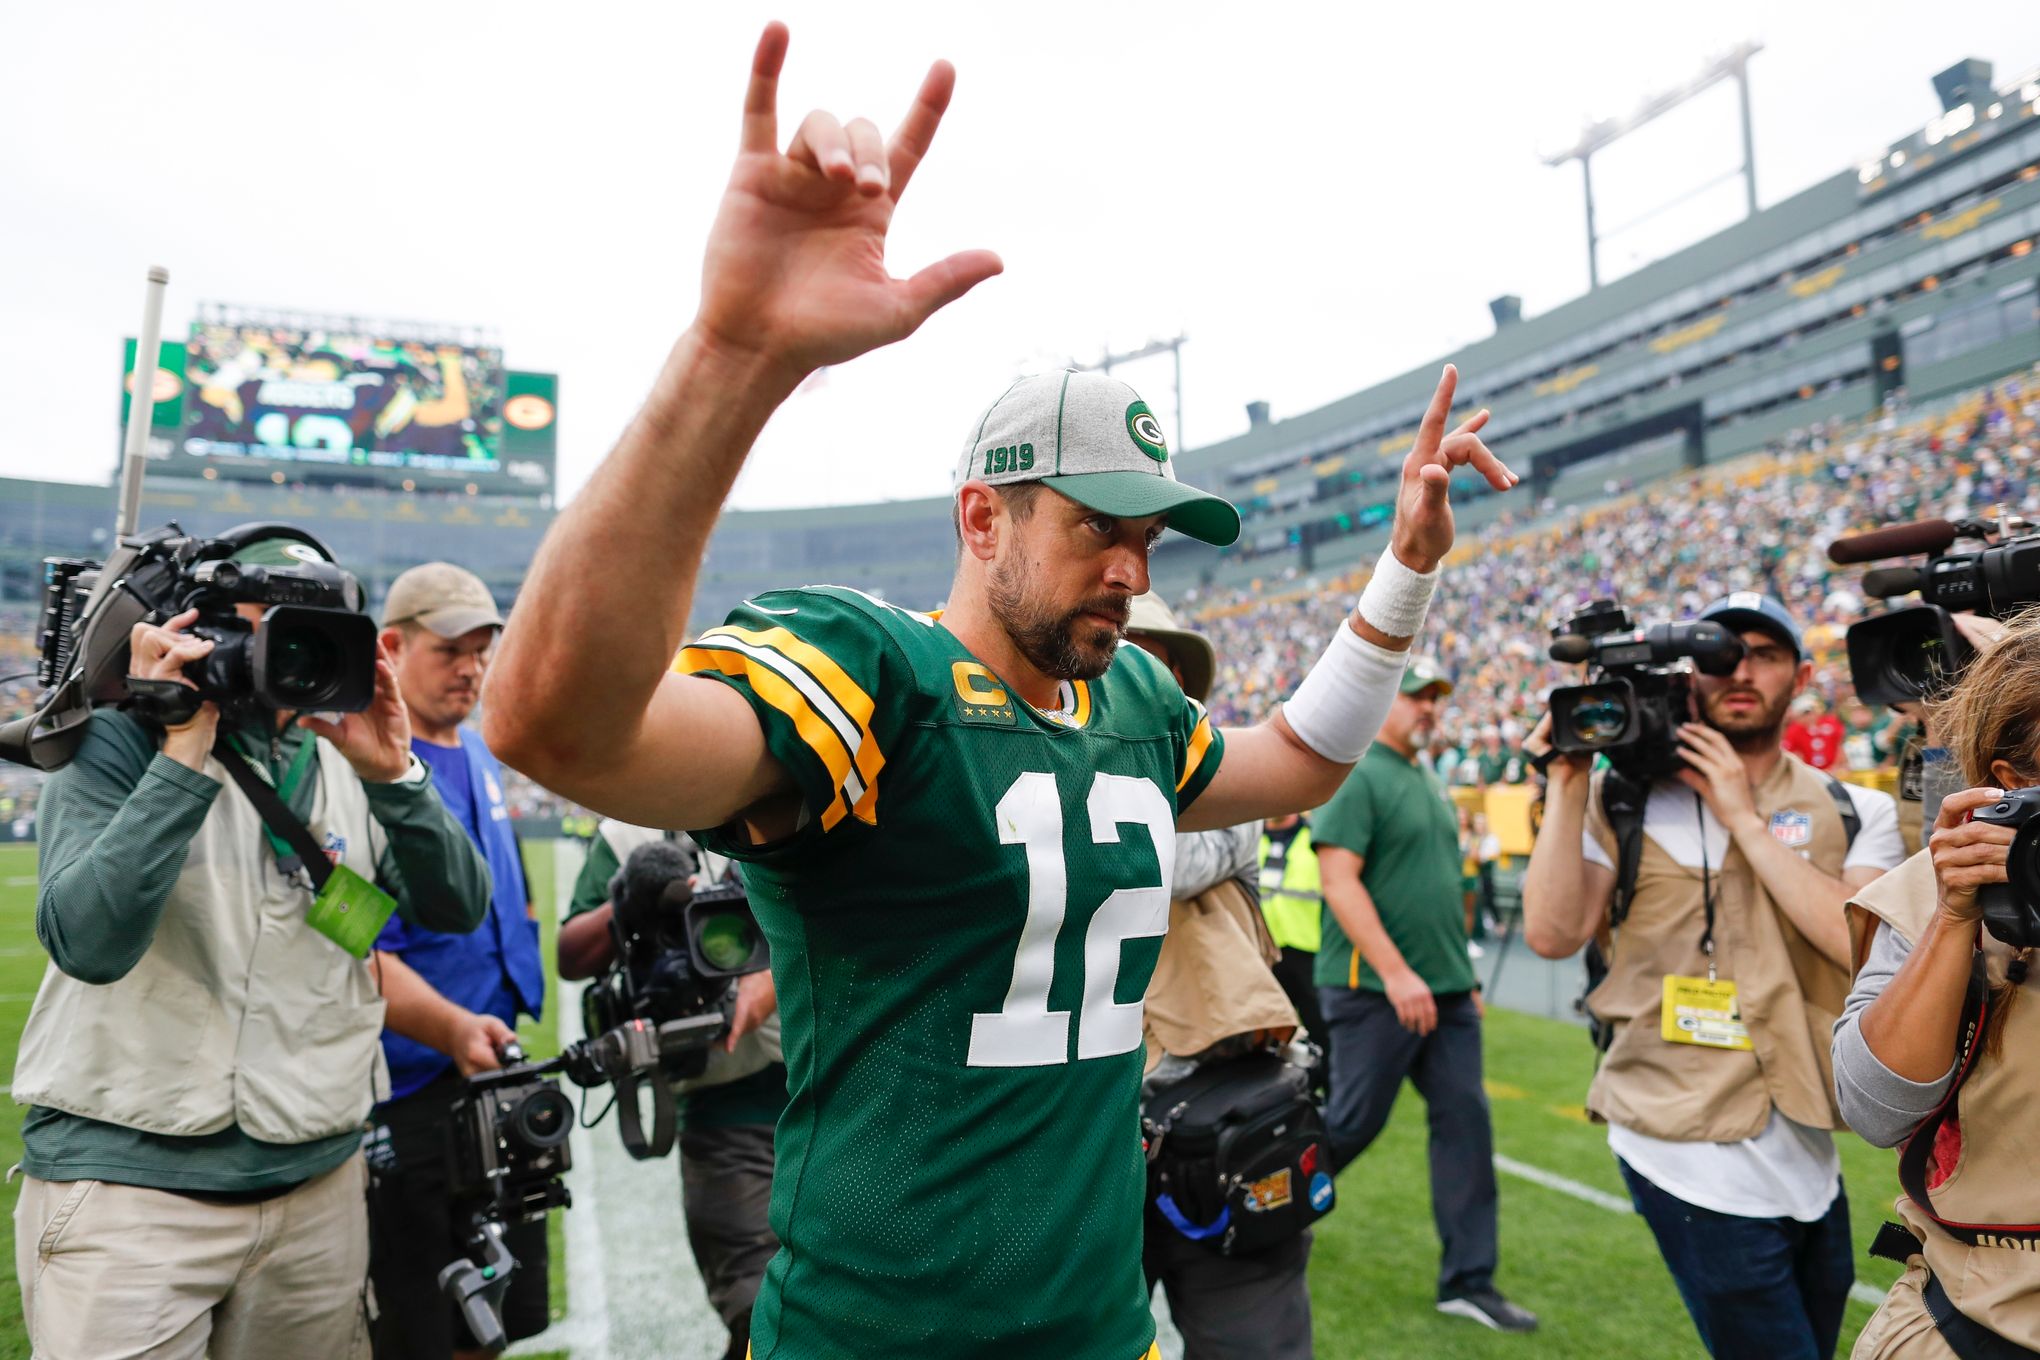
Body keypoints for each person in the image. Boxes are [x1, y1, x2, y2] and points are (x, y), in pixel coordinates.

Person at [482, 23, 1516, 1357]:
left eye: (1149, 540)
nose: (1133, 572)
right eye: (1098, 527)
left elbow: (1303, 761)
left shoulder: (1134, 701)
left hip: (1103, 1327)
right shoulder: (872, 673)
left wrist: (1406, 571)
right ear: (983, 520)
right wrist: (735, 355)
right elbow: (551, 722)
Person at [11, 533, 491, 1360]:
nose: (289, 659)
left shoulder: (342, 747)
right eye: (267, 632)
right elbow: (88, 941)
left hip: (319, 1183)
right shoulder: (117, 737)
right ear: (198, 628)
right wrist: (182, 745)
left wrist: (397, 777)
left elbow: (456, 905)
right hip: (134, 1190)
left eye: (310, 635)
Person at [1521, 592, 1905, 1360]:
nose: (1738, 671)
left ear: (1800, 676)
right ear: (1683, 676)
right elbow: (1552, 933)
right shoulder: (1617, 799)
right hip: (1674, 1135)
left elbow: (1862, 945)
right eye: (1717, 655)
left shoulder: (1857, 808)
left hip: (1805, 1138)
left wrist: (1743, 820)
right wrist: (1565, 781)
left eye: (1762, 655)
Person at [1835, 612, 2040, 1357]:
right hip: (1976, 1320)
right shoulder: (1948, 886)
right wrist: (1956, 916)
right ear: (2013, 786)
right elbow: (1874, 1106)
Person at [1312, 657, 1535, 1334]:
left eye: (1435, 699)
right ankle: (1260, 1211)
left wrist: (1458, 973)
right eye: (1416, 698)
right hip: (1374, 990)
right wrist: (1399, 972)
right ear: (1382, 700)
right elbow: (1340, 882)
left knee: (1466, 1124)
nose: (1429, 709)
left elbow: (1439, 885)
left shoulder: (1430, 781)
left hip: (1445, 993)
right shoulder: (1356, 775)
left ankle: (1468, 1281)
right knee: (1351, 1124)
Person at [362, 562, 550, 1360]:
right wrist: (447, 1027)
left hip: (493, 1068)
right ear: (392, 648)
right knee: (420, 1321)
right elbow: (352, 942)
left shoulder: (476, 749)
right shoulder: (361, 763)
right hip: (412, 1081)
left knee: (497, 1312)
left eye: (482, 650)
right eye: (450, 651)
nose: (471, 667)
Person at [1127, 591, 1313, 1360]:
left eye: (1149, 665)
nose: (1126, 682)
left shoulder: (1225, 789)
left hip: (1221, 1127)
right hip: (1084, 1143)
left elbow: (1136, 862)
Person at [557, 821, 784, 1360]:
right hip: (723, 1098)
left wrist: (771, 975)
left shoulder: (793, 789)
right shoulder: (626, 833)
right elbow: (571, 954)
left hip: (835, 1084)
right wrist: (628, 903)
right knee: (757, 1311)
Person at [1259, 811, 1328, 1051]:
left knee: (1322, 1029)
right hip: (1265, 953)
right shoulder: (1251, 840)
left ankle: (1326, 1084)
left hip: (1310, 949)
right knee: (1269, 1033)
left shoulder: (1315, 838)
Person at [1784, 692, 1846, 772]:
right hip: (1810, 772)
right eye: (1805, 713)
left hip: (1834, 770)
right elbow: (1795, 755)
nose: (1810, 716)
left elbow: (1840, 746)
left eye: (1811, 711)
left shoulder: (1831, 722)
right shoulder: (1794, 730)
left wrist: (1836, 768)